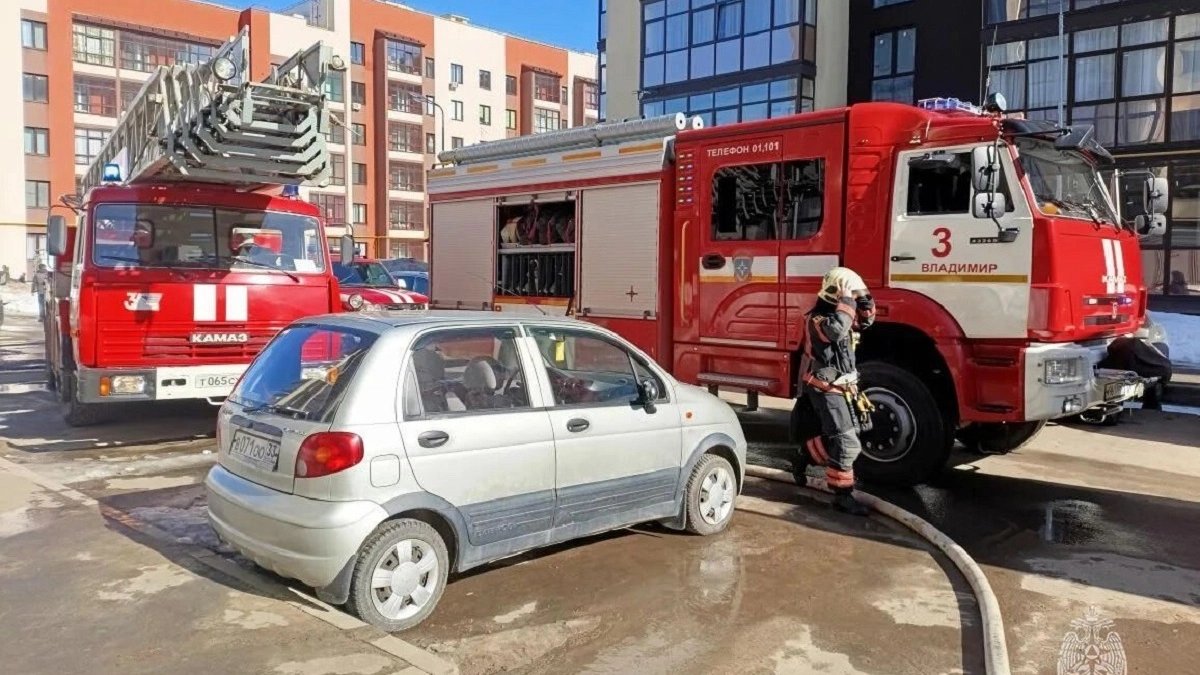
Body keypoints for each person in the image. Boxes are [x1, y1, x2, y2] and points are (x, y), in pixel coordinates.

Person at [796, 267, 876, 516]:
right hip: (825, 388)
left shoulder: (843, 313)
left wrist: (864, 300)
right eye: (849, 294)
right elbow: (837, 331)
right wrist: (848, 301)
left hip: (845, 387)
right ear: (837, 295)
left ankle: (804, 455)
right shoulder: (819, 319)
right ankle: (842, 495)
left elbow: (867, 320)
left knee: (856, 430)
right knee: (847, 442)